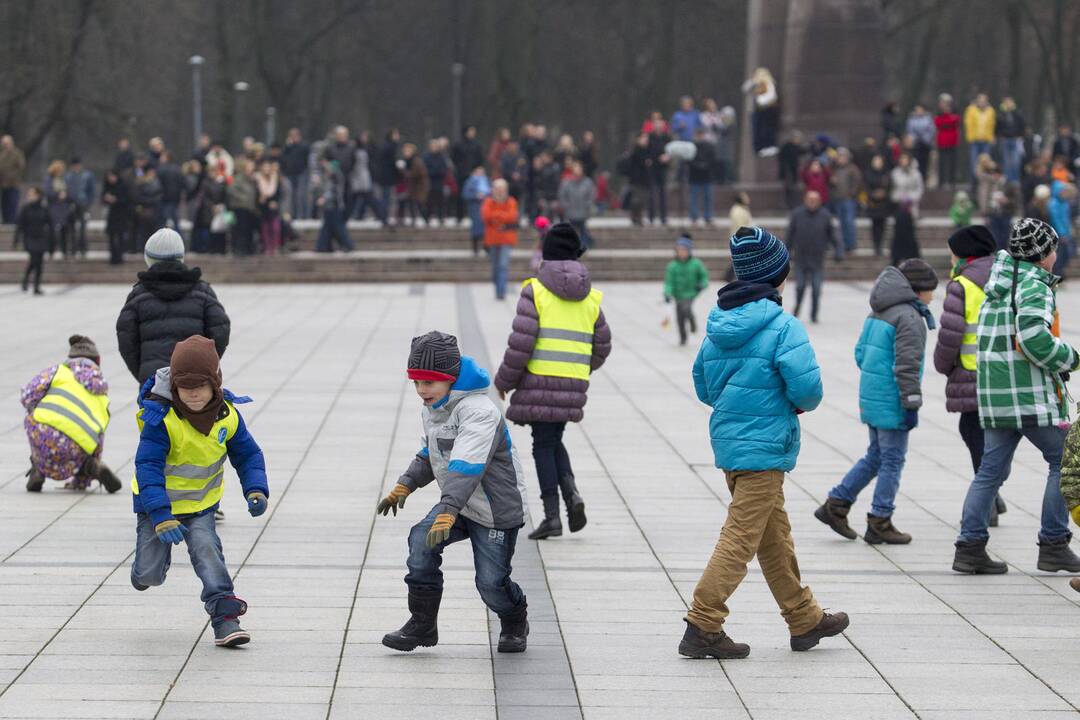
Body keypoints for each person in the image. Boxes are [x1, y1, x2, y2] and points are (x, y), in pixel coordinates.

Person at [680, 226, 848, 660]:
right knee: (740, 536)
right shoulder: (782, 327)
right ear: (778, 277)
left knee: (773, 535)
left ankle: (803, 617)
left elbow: (703, 385)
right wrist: (786, 403)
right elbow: (808, 390)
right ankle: (703, 621)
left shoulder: (719, 326)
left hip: (731, 445)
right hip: (767, 444)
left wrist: (736, 402)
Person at [378, 332, 530, 654]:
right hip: (459, 505)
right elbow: (432, 454)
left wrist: (447, 510)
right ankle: (422, 624)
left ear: (450, 379)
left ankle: (515, 618)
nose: (421, 390)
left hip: (492, 510)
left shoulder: (479, 412)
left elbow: (466, 465)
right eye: (416, 382)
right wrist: (405, 484)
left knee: (490, 584)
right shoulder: (434, 407)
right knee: (420, 541)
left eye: (429, 382)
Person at [953, 219, 1080, 575]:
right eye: (1053, 249)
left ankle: (969, 546)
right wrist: (1070, 357)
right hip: (1028, 395)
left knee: (989, 472)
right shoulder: (1034, 286)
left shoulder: (1000, 283)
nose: (1056, 255)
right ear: (1042, 255)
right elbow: (1033, 340)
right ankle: (1054, 543)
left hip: (995, 395)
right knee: (1065, 462)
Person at [130, 336, 269, 648]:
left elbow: (248, 455)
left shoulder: (228, 416)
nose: (192, 393)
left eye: (201, 385)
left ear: (215, 383)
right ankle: (145, 571)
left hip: (201, 507)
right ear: (175, 386)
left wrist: (256, 489)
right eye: (184, 386)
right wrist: (161, 515)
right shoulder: (161, 420)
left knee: (207, 552)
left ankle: (225, 617)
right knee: (149, 575)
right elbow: (148, 466)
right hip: (157, 508)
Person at [494, 224, 612, 539]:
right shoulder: (591, 297)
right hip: (571, 384)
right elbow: (603, 346)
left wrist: (504, 380)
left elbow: (521, 344)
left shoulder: (536, 291)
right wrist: (579, 368)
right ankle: (571, 494)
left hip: (538, 382)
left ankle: (552, 516)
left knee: (542, 445)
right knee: (553, 439)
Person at [815, 260, 939, 544]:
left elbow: (860, 354)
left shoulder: (878, 311)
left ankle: (836, 504)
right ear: (917, 290)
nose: (933, 296)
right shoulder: (908, 317)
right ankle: (880, 519)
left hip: (873, 395)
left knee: (876, 455)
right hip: (894, 398)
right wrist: (911, 402)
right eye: (931, 290)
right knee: (892, 459)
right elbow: (907, 365)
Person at [933, 226, 1008, 526]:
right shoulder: (1009, 276)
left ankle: (987, 499)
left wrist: (942, 364)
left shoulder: (963, 283)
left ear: (964, 254)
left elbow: (951, 334)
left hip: (972, 371)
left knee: (974, 433)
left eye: (953, 252)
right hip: (1005, 372)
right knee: (997, 437)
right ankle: (993, 494)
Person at [117, 227, 231, 385]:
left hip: (153, 379)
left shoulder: (138, 295)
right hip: (194, 380)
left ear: (149, 259)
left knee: (155, 411)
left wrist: (144, 372)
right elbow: (220, 331)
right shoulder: (203, 292)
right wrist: (205, 365)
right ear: (181, 257)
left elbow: (126, 340)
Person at [22, 335, 121, 493]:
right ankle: (91, 467)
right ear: (97, 361)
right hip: (78, 445)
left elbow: (27, 395)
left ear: (70, 358)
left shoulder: (57, 371)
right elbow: (99, 433)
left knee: (31, 417)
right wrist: (83, 479)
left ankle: (38, 468)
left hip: (44, 436)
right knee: (91, 437)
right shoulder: (102, 389)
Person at [785, 190, 838, 323]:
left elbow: (833, 235)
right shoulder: (797, 214)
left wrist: (839, 250)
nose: (812, 202)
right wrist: (786, 252)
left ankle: (814, 314)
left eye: (815, 200)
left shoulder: (825, 216)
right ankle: (797, 308)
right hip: (801, 259)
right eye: (810, 199)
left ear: (819, 202)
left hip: (817, 259)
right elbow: (790, 235)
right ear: (805, 200)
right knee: (800, 286)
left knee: (816, 288)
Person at [664, 234, 709, 346]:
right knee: (680, 317)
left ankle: (692, 322)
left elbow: (704, 277)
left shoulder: (696, 264)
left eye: (684, 250)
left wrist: (702, 284)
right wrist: (667, 292)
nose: (682, 252)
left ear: (689, 251)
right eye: (679, 250)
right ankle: (683, 337)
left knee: (686, 308)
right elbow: (669, 282)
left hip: (690, 293)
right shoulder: (672, 266)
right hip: (678, 294)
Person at [481, 179, 519, 300]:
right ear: (493, 190)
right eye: (497, 189)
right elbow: (486, 216)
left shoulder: (511, 201)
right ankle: (497, 286)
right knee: (494, 267)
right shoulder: (488, 201)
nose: (499, 191)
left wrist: (496, 217)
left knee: (503, 265)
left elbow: (512, 216)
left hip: (506, 239)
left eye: (502, 189)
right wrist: (502, 216)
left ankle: (501, 292)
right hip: (492, 239)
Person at [13, 186, 52, 295]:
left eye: (32, 194)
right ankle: (27, 280)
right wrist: (16, 240)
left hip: (41, 238)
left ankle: (36, 286)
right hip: (29, 238)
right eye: (29, 194)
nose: (30, 196)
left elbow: (50, 223)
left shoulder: (44, 208)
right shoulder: (25, 208)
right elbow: (19, 225)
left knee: (39, 263)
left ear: (38, 195)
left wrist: (52, 240)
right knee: (35, 260)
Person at [316, 158, 353, 252]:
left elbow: (334, 192)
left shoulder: (337, 176)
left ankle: (348, 245)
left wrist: (324, 198)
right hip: (329, 207)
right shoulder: (328, 177)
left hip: (335, 206)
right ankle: (324, 246)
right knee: (328, 228)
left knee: (338, 228)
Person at [830, 148, 862, 253]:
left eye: (843, 157)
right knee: (841, 223)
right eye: (839, 156)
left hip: (849, 200)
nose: (841, 159)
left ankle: (851, 244)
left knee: (849, 222)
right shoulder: (834, 169)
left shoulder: (852, 169)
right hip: (838, 199)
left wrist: (851, 194)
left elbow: (857, 183)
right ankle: (843, 244)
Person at [557, 160, 596, 247]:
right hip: (571, 211)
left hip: (583, 211)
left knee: (583, 230)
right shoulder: (566, 183)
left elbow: (591, 195)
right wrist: (566, 206)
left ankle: (584, 246)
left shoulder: (588, 182)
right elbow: (562, 195)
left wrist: (588, 205)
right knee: (572, 231)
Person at [743, 68, 780, 156]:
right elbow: (745, 88)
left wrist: (761, 102)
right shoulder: (755, 84)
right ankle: (758, 148)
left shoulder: (769, 84)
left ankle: (769, 146)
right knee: (757, 130)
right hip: (757, 110)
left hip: (767, 109)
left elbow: (771, 96)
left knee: (767, 128)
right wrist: (753, 81)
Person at [452, 126, 485, 222]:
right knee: (460, 195)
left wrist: (478, 170)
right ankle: (460, 216)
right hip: (461, 174)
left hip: (474, 175)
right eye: (471, 131)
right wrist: (460, 168)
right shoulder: (458, 144)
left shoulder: (477, 145)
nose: (472, 133)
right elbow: (454, 158)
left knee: (476, 196)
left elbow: (480, 158)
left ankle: (473, 215)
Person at [64, 157, 95, 257]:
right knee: (71, 227)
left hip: (83, 204)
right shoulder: (68, 176)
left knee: (82, 227)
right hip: (71, 204)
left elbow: (91, 190)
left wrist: (89, 202)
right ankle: (73, 248)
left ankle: (82, 247)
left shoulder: (87, 175)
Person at [227, 160, 258, 255]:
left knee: (248, 230)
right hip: (239, 208)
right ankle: (238, 249)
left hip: (250, 208)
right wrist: (244, 198)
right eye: (249, 166)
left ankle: (248, 249)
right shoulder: (238, 178)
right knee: (239, 229)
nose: (251, 169)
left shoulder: (253, 179)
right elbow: (231, 190)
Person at [964, 93, 996, 186]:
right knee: (974, 161)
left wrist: (991, 137)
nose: (982, 103)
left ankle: (985, 182)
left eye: (984, 101)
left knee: (986, 163)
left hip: (986, 140)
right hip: (975, 140)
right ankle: (973, 182)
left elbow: (992, 125)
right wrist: (970, 137)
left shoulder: (991, 111)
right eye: (980, 101)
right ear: (977, 101)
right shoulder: (971, 110)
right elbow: (968, 124)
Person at [687, 128, 716, 225]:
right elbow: (688, 160)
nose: (699, 137)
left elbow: (713, 159)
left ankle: (708, 216)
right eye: (698, 135)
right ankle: (694, 216)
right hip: (694, 176)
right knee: (693, 197)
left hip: (707, 175)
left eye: (701, 135)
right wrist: (698, 165)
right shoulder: (691, 146)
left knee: (707, 197)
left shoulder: (709, 146)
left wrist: (705, 165)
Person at [864, 155, 892, 256]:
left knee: (882, 226)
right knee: (874, 226)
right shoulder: (868, 173)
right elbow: (866, 187)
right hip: (873, 204)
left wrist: (884, 193)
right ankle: (875, 245)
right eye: (875, 161)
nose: (877, 163)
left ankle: (880, 245)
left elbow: (890, 187)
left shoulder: (886, 174)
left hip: (883, 204)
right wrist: (873, 194)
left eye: (879, 161)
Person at [462, 165, 491, 256]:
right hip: (475, 207)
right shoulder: (470, 182)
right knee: (476, 228)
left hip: (487, 207)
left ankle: (487, 247)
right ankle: (475, 247)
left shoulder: (488, 181)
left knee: (487, 228)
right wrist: (476, 195)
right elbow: (465, 194)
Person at [255, 159, 283, 255]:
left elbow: (279, 193)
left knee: (275, 228)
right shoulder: (258, 180)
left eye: (268, 167)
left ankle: (275, 246)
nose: (266, 169)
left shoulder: (275, 179)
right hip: (263, 208)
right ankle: (267, 247)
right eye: (264, 167)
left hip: (273, 208)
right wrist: (261, 200)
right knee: (265, 229)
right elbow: (256, 195)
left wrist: (275, 202)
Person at [102, 169, 129, 265]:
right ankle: (113, 257)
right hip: (111, 215)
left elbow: (126, 199)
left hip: (121, 215)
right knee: (111, 236)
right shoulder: (107, 186)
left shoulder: (122, 186)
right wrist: (106, 199)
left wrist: (115, 200)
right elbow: (102, 198)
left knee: (120, 236)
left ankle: (120, 256)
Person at [281, 128, 309, 219]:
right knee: (289, 195)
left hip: (301, 173)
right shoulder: (287, 148)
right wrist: (288, 146)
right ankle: (291, 215)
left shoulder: (304, 146)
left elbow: (307, 160)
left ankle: (301, 216)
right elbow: (283, 159)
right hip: (289, 174)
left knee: (300, 196)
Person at [996, 97, 1026, 183]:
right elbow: (997, 127)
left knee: (1016, 161)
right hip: (1005, 140)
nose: (1008, 104)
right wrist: (1000, 136)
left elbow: (1022, 125)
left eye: (1010, 102)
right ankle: (1007, 180)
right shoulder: (1001, 114)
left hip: (1015, 139)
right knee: (1006, 161)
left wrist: (1020, 135)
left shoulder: (1017, 113)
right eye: (1006, 102)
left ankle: (1015, 180)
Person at [905, 105, 935, 182]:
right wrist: (914, 138)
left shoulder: (928, 119)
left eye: (920, 110)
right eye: (917, 110)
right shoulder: (911, 120)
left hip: (925, 144)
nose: (918, 111)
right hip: (915, 144)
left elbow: (931, 130)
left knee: (925, 163)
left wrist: (925, 138)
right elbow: (910, 131)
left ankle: (924, 179)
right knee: (915, 162)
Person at [0, 135, 26, 223]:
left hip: (14, 184)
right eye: (3, 144)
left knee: (12, 206)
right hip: (3, 185)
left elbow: (21, 167)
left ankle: (12, 224)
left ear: (11, 143)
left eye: (6, 143)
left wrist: (11, 176)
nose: (5, 145)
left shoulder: (17, 154)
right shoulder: (2, 154)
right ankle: (6, 223)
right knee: (4, 206)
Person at [156, 151, 184, 233]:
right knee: (175, 221)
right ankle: (178, 241)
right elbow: (183, 183)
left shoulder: (161, 169)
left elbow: (158, 185)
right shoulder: (178, 169)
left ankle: (163, 242)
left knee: (163, 222)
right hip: (175, 199)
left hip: (164, 199)